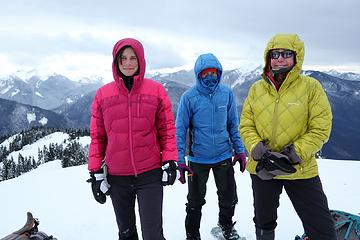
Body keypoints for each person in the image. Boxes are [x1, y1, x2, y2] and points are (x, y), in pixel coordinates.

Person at [239, 33, 337, 240]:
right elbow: (246, 123)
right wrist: (256, 147)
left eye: (285, 54)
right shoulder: (257, 89)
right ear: (268, 58)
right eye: (274, 54)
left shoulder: (311, 87)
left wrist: (295, 153)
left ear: (296, 57)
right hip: (263, 166)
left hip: (299, 168)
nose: (279, 58)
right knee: (264, 219)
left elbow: (321, 127)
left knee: (320, 224)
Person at [87, 37, 178, 240]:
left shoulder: (156, 91)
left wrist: (170, 160)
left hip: (150, 175)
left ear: (141, 61)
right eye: (123, 59)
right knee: (126, 234)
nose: (128, 63)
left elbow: (167, 130)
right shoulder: (103, 95)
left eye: (133, 58)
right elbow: (98, 137)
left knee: (153, 234)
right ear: (116, 62)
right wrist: (95, 173)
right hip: (117, 177)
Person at [176, 53, 247, 240]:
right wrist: (179, 159)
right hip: (197, 158)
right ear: (199, 74)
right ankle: (192, 235)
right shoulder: (189, 97)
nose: (210, 76)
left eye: (213, 72)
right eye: (205, 73)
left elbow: (233, 124)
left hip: (223, 155)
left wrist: (239, 150)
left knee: (229, 196)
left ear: (219, 73)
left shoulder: (226, 94)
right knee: (195, 201)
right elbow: (180, 129)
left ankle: (226, 226)